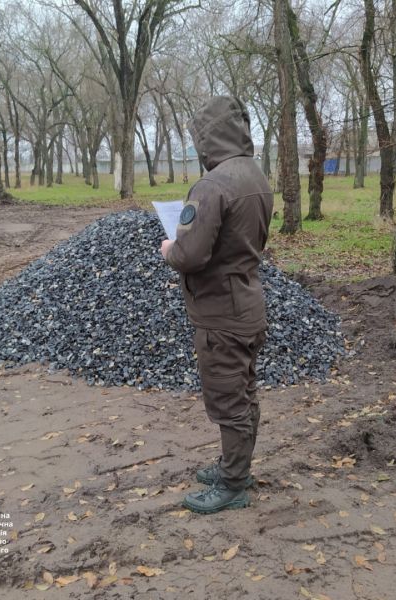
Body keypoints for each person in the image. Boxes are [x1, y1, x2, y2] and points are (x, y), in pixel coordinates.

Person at [160, 96, 273, 514]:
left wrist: (170, 247)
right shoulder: (255, 175)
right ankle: (235, 466)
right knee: (244, 390)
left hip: (221, 313)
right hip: (247, 300)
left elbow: (190, 255)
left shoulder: (212, 185)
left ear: (208, 137)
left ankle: (232, 484)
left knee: (228, 398)